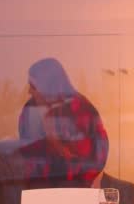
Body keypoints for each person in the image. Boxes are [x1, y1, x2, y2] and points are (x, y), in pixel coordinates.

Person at [18, 58, 109, 189]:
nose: (29, 91)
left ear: (48, 86)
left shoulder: (79, 108)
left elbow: (95, 157)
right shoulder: (30, 110)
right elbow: (27, 154)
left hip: (73, 190)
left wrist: (54, 140)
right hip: (38, 191)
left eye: (33, 86)